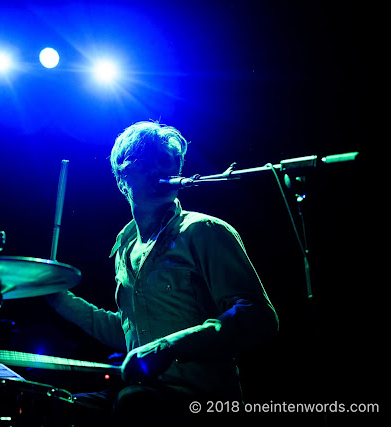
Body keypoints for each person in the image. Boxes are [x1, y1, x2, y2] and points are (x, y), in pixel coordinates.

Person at [46, 120, 278, 426]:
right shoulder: (125, 246)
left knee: (134, 402)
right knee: (57, 409)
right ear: (121, 179)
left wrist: (167, 347)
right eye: (147, 160)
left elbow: (258, 315)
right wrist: (60, 300)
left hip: (202, 401)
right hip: (144, 394)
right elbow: (128, 332)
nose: (162, 169)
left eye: (168, 161)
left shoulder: (204, 231)